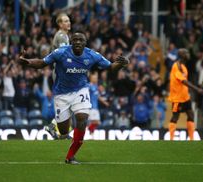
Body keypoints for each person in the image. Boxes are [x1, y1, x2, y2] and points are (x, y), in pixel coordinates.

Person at [18, 31, 129, 164]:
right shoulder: (61, 52)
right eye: (74, 40)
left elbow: (111, 67)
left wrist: (122, 63)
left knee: (82, 119)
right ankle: (56, 127)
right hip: (61, 95)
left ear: (85, 43)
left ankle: (70, 157)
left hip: (80, 91)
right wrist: (28, 62)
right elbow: (42, 63)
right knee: (64, 131)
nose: (77, 42)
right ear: (71, 42)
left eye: (80, 40)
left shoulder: (91, 55)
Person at [168, 48, 203, 141]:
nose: (188, 54)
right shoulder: (176, 66)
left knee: (191, 115)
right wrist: (197, 89)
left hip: (185, 97)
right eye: (186, 53)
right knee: (175, 117)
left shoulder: (183, 66)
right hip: (177, 98)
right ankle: (171, 139)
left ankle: (191, 139)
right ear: (182, 55)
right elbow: (184, 81)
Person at [45, 13, 71, 138]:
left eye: (69, 20)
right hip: (62, 74)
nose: (68, 23)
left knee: (68, 104)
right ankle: (58, 129)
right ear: (60, 24)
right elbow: (63, 56)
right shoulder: (61, 36)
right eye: (65, 21)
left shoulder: (64, 36)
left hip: (62, 73)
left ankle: (57, 129)